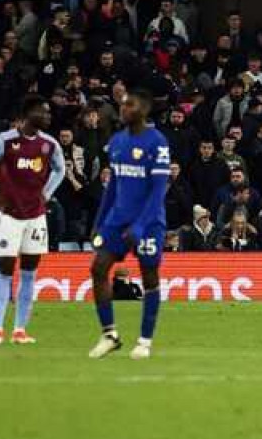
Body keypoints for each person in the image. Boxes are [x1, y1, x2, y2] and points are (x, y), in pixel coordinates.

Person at [0, 93, 65, 345]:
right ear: (28, 114)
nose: (48, 116)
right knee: (5, 271)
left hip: (36, 217)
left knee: (29, 273)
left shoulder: (49, 144)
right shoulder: (5, 141)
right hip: (10, 216)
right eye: (43, 111)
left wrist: (46, 193)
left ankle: (20, 330)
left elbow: (61, 169)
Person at [88, 88, 169, 361]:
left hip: (148, 222)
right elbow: (113, 185)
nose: (123, 109)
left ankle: (145, 341)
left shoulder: (157, 142)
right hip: (117, 219)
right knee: (98, 268)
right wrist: (99, 222)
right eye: (122, 105)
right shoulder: (118, 141)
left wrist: (140, 225)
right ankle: (109, 334)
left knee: (149, 276)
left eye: (130, 105)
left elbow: (158, 191)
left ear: (144, 110)